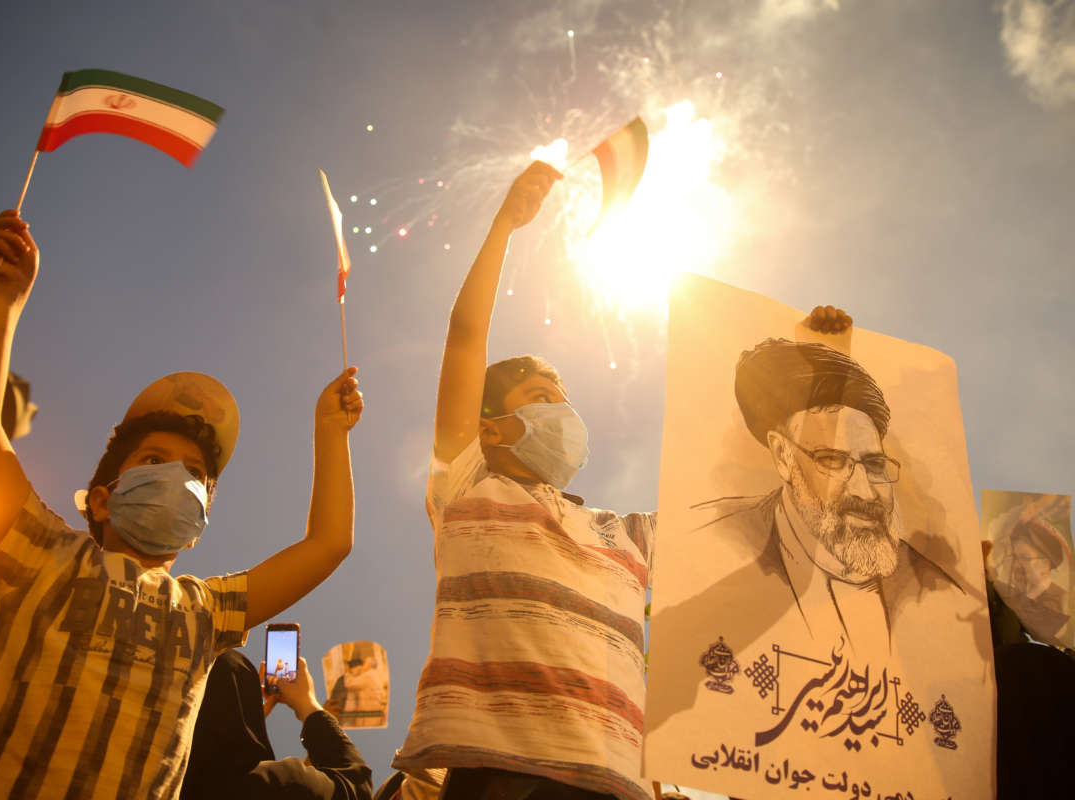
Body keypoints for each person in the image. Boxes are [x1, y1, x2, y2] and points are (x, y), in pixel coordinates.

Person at [0, 209, 364, 798]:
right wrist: (4, 298)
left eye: (195, 474)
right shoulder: (41, 551)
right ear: (101, 499)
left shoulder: (208, 612)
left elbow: (329, 544)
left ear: (198, 523)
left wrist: (331, 431)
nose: (176, 477)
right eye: (151, 462)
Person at [392, 161, 658, 800]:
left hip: (619, 787)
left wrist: (820, 367)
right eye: (541, 396)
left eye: (564, 399)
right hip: (501, 780)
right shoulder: (469, 490)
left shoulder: (624, 535)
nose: (561, 413)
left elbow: (742, 520)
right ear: (490, 428)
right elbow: (465, 339)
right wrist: (506, 224)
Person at [688, 337, 962, 657]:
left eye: (874, 464)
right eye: (832, 460)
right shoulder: (710, 541)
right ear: (783, 456)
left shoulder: (937, 593)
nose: (864, 490)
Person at [181, 652, 373, 800]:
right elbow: (354, 788)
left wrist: (245, 723)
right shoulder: (261, 786)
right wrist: (308, 706)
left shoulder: (165, 776)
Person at [1003, 517, 1069, 639]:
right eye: (1015, 557)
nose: (1016, 564)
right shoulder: (1014, 593)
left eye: (1024, 557)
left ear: (1045, 564)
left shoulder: (1057, 601)